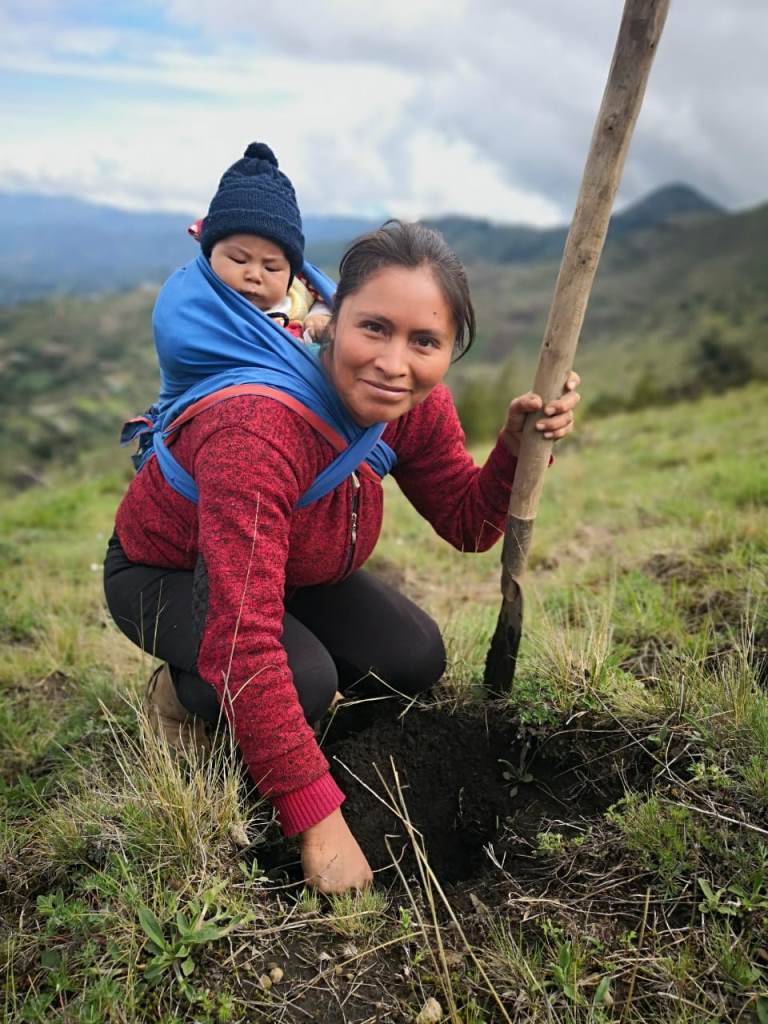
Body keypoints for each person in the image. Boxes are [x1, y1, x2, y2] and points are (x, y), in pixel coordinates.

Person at [104, 218, 581, 894]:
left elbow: (469, 523)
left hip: (287, 570)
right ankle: (180, 701)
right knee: (301, 678)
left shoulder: (415, 407)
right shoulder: (257, 432)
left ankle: (282, 725)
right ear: (334, 318)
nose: (394, 363)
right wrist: (318, 820)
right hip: (165, 572)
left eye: (425, 341)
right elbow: (243, 639)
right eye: (374, 328)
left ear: (450, 349)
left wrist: (514, 447)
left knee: (412, 658)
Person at [191, 141, 330, 342]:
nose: (254, 275)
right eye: (239, 259)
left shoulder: (298, 296)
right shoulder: (197, 302)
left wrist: (318, 318)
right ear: (210, 256)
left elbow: (324, 302)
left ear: (290, 276)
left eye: (271, 268)